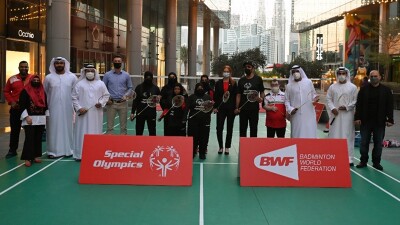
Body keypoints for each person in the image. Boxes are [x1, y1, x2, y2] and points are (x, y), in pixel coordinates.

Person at [354, 70, 394, 171]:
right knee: (364, 142)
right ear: (369, 78)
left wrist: (390, 119)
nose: (373, 78)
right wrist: (357, 118)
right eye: (371, 76)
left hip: (379, 121)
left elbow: (389, 106)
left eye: (375, 76)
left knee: (378, 143)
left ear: (380, 77)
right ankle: (363, 161)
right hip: (365, 121)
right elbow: (358, 105)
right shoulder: (363, 90)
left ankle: (376, 162)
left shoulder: (386, 91)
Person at [72, 65, 110, 161]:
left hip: (96, 114)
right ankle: (80, 154)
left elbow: (106, 95)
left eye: (91, 71)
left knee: (95, 132)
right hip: (82, 115)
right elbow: (74, 97)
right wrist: (79, 108)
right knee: (82, 133)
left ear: (94, 72)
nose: (89, 72)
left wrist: (100, 103)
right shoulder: (79, 84)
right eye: (87, 71)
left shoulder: (100, 84)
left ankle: (95, 154)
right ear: (84, 72)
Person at [44, 57, 77, 158]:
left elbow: (76, 92)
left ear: (65, 64)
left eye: (61, 63)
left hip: (68, 108)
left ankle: (69, 150)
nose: (59, 65)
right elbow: (44, 93)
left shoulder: (72, 77)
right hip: (52, 108)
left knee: (68, 128)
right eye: (57, 63)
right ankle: (52, 151)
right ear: (54, 65)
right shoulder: (48, 77)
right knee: (53, 128)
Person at [326, 67, 358, 166]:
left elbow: (355, 100)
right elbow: (328, 99)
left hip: (348, 116)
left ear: (346, 74)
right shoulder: (332, 87)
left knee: (348, 136)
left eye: (343, 73)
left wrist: (347, 107)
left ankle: (349, 158)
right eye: (339, 73)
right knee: (334, 135)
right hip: (335, 116)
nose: (341, 75)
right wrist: (332, 108)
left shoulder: (353, 87)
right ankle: (334, 156)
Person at [4, 61, 32, 158]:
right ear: (18, 68)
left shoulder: (32, 78)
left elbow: (38, 91)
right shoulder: (12, 79)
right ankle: (12, 150)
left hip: (29, 110)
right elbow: (6, 91)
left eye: (25, 67)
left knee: (29, 132)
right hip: (16, 109)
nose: (24, 68)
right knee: (15, 130)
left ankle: (30, 152)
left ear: (28, 67)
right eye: (22, 67)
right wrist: (11, 102)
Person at [19, 75, 47, 167]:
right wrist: (26, 117)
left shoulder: (43, 91)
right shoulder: (25, 91)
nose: (36, 81)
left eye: (37, 80)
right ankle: (27, 158)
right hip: (29, 118)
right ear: (30, 81)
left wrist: (46, 117)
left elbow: (46, 105)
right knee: (29, 138)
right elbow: (22, 105)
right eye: (34, 80)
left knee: (38, 138)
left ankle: (35, 156)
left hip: (40, 118)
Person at [284, 65, 319, 138]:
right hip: (296, 115)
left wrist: (315, 98)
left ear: (300, 72)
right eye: (293, 72)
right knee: (297, 134)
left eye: (297, 71)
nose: (295, 73)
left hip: (309, 113)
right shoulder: (289, 86)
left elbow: (313, 94)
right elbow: (286, 100)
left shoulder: (308, 82)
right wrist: (290, 109)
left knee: (310, 133)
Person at [103, 55, 133, 135]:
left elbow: (130, 88)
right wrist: (107, 99)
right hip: (111, 103)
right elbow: (103, 88)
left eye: (119, 62)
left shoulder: (126, 75)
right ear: (113, 63)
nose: (117, 63)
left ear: (122, 63)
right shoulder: (107, 75)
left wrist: (126, 95)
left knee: (123, 127)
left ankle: (123, 144)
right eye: (115, 62)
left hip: (123, 103)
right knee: (109, 127)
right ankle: (109, 144)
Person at [234, 60, 265, 137]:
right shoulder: (241, 80)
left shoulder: (258, 79)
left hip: (254, 109)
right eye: (245, 67)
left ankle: (253, 148)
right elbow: (238, 95)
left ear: (253, 68)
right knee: (242, 130)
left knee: (253, 130)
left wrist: (261, 98)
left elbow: (262, 92)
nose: (247, 68)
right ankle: (243, 148)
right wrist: (237, 107)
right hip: (243, 110)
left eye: (249, 67)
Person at [213, 65, 237, 155]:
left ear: (230, 73)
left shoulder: (234, 83)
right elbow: (215, 96)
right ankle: (220, 146)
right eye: (224, 71)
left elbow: (236, 96)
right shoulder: (218, 83)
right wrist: (215, 107)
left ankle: (227, 147)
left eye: (227, 71)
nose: (226, 72)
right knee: (219, 128)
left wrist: (236, 108)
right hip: (220, 109)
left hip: (231, 109)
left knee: (229, 128)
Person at [130, 71, 161, 136]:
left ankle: (152, 144)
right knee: (139, 131)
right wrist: (132, 112)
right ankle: (138, 145)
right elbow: (135, 100)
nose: (148, 79)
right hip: (140, 112)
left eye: (150, 77)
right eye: (147, 77)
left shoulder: (156, 88)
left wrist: (159, 98)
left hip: (151, 113)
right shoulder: (139, 87)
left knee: (152, 131)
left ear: (152, 78)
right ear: (144, 78)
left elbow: (159, 98)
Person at [188, 83, 212, 159]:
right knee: (193, 137)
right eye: (198, 87)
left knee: (204, 138)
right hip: (193, 121)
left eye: (201, 87)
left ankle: (202, 153)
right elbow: (187, 108)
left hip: (205, 121)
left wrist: (210, 106)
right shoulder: (191, 97)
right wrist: (184, 118)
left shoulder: (208, 97)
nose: (200, 88)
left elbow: (210, 109)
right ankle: (192, 152)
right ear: (195, 88)